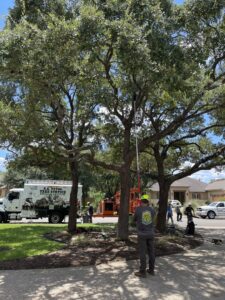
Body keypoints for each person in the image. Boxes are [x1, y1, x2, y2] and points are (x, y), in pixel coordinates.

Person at [133, 198, 155, 278]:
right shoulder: (152, 210)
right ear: (148, 203)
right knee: (151, 252)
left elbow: (134, 219)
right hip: (151, 233)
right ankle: (151, 270)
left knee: (142, 253)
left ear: (142, 203)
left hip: (142, 234)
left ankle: (142, 272)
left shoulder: (138, 209)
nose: (139, 204)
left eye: (140, 203)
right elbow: (153, 219)